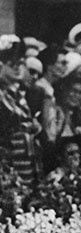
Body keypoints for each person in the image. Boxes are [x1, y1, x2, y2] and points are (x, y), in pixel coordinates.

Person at [0, 34, 42, 186]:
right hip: (8, 169)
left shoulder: (18, 94)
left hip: (26, 165)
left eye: (21, 62)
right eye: (11, 63)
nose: (18, 67)